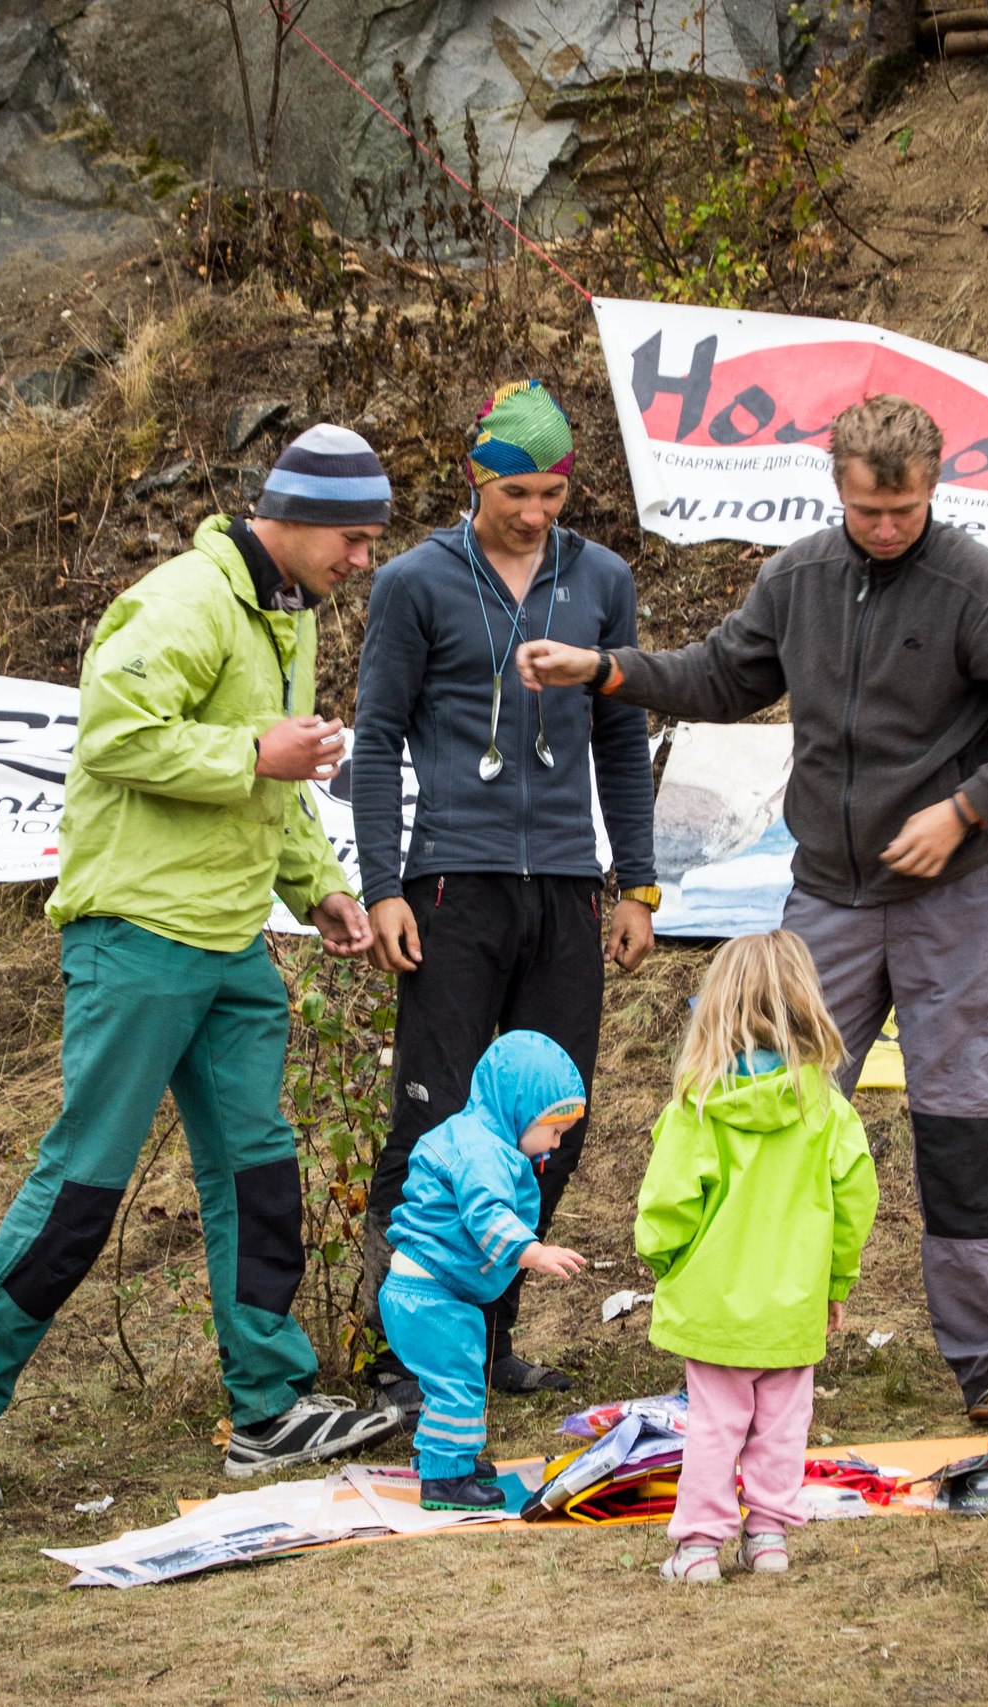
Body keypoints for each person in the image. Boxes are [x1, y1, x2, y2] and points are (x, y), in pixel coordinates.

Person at [520, 393, 988, 1424]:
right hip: (826, 898)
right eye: (870, 511)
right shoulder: (798, 577)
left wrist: (967, 809)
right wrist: (606, 671)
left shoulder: (978, 587)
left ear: (934, 488)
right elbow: (719, 674)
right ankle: (739, 1345)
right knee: (761, 1109)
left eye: (907, 511)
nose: (887, 529)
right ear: (836, 487)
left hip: (956, 899)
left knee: (965, 1120)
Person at [0, 425, 401, 1506]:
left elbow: (277, 783)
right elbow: (115, 738)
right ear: (301, 516)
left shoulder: (287, 614)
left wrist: (315, 883)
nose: (360, 561)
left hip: (231, 942)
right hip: (135, 934)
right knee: (85, 1182)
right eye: (353, 539)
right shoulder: (182, 601)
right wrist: (247, 755)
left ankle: (267, 1410)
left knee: (258, 1175)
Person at [353, 380, 658, 1411]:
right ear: (473, 476)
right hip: (451, 885)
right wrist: (383, 883)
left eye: (553, 493)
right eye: (515, 491)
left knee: (551, 1120)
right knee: (433, 1123)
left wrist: (638, 884)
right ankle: (402, 1352)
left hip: (567, 884)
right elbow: (377, 738)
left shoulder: (600, 578)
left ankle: (483, 1342)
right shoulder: (413, 581)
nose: (535, 512)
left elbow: (621, 735)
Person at [636, 930, 878, 1582]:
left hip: (713, 1306)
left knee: (715, 1427)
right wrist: (836, 1280)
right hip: (795, 1305)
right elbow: (856, 1200)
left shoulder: (697, 1106)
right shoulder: (827, 1111)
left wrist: (669, 1266)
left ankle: (696, 1549)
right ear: (807, 1004)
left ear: (716, 1005)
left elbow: (666, 1207)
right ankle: (768, 1537)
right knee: (782, 1426)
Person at [378, 1030, 592, 1511]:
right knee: (458, 1382)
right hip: (428, 1292)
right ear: (519, 1108)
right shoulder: (483, 1151)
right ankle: (446, 1481)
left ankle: (445, 1458)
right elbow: (485, 1213)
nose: (556, 1145)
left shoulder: (476, 1135)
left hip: (428, 1290)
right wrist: (532, 1252)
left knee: (450, 1380)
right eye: (554, 1130)